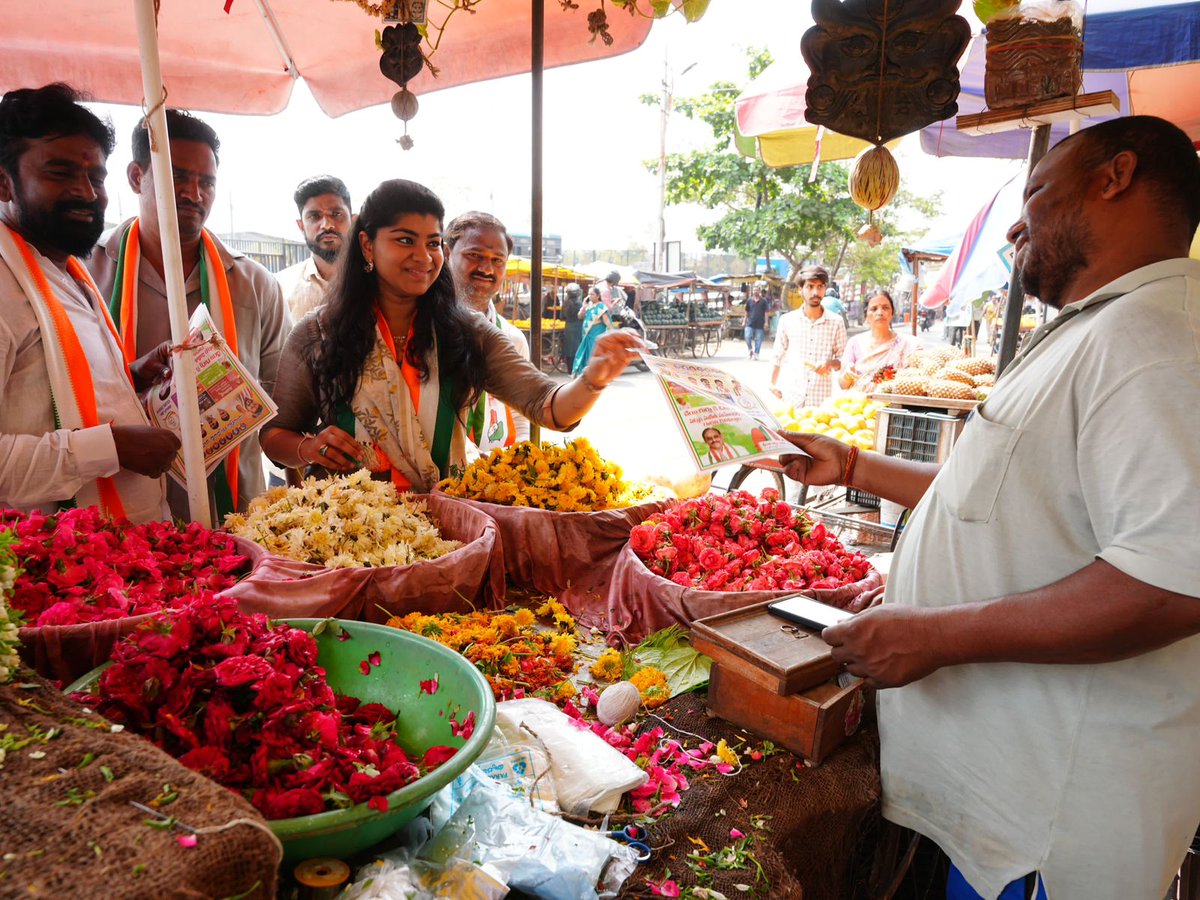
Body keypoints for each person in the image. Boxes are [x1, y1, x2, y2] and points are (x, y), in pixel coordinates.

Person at [779, 116, 1200, 900]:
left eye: (1037, 192)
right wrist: (855, 464)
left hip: (1052, 828)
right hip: (1002, 804)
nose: (1016, 221)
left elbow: (1174, 583)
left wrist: (938, 633)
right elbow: (1006, 496)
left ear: (1115, 177)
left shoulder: (1157, 338)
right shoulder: (1102, 328)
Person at [260, 179, 641, 492]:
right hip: (347, 533)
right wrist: (309, 448)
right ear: (366, 245)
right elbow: (275, 435)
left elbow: (548, 406)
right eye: (405, 240)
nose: (424, 257)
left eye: (432, 243)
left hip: (446, 532)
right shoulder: (318, 332)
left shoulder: (466, 332)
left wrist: (593, 380)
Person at [89, 109, 290, 521]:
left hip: (232, 517)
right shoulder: (86, 274)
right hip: (121, 516)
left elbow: (279, 406)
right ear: (135, 176)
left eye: (207, 183)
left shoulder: (254, 285)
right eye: (178, 177)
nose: (194, 194)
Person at [0, 83, 178, 522]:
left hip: (131, 557)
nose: (86, 192)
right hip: (59, 573)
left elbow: (43, 396)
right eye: (59, 172)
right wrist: (111, 448)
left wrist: (129, 378)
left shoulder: (64, 268)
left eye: (95, 176)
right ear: (4, 183)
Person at [444, 210, 529, 451]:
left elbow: (522, 415)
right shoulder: (427, 328)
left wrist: (519, 458)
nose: (486, 268)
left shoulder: (513, 338)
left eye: (497, 260)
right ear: (446, 253)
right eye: (475, 255)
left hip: (499, 479)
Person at [276, 175, 353, 321]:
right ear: (301, 226)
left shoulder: (379, 284)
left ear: (353, 220)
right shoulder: (280, 289)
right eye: (314, 216)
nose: (327, 225)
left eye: (336, 214)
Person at [770, 265, 846, 408]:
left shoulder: (836, 322)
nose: (815, 292)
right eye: (810, 287)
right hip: (791, 398)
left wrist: (829, 363)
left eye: (820, 286)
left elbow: (844, 360)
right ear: (800, 290)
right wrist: (772, 383)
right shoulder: (787, 321)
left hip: (820, 402)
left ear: (825, 289)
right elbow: (777, 355)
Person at [838, 291, 919, 392]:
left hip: (895, 405)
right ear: (866, 314)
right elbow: (842, 384)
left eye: (885, 308)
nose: (880, 313)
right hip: (860, 405)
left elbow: (916, 381)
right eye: (874, 309)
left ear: (892, 313)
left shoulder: (907, 343)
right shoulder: (854, 343)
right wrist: (847, 376)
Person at [572, 285, 612, 377]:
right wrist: (583, 307)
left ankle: (596, 373)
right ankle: (586, 373)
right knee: (585, 353)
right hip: (587, 334)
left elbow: (606, 321)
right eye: (589, 294)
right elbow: (579, 316)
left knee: (593, 353)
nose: (590, 296)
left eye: (592, 294)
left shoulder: (601, 307)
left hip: (596, 334)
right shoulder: (588, 306)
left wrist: (612, 333)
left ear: (598, 296)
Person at [744, 281, 771, 360]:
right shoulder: (749, 300)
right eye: (754, 290)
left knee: (758, 339)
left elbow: (766, 312)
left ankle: (756, 353)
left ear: (759, 291)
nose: (755, 291)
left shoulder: (764, 301)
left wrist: (766, 322)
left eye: (757, 290)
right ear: (752, 291)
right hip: (750, 323)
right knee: (747, 336)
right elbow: (746, 311)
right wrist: (744, 320)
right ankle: (750, 350)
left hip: (760, 323)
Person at [561, 281, 584, 369]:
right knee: (577, 348)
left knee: (569, 349)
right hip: (578, 328)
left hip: (568, 328)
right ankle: (576, 367)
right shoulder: (580, 304)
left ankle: (569, 368)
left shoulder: (565, 304)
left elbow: (561, 316)